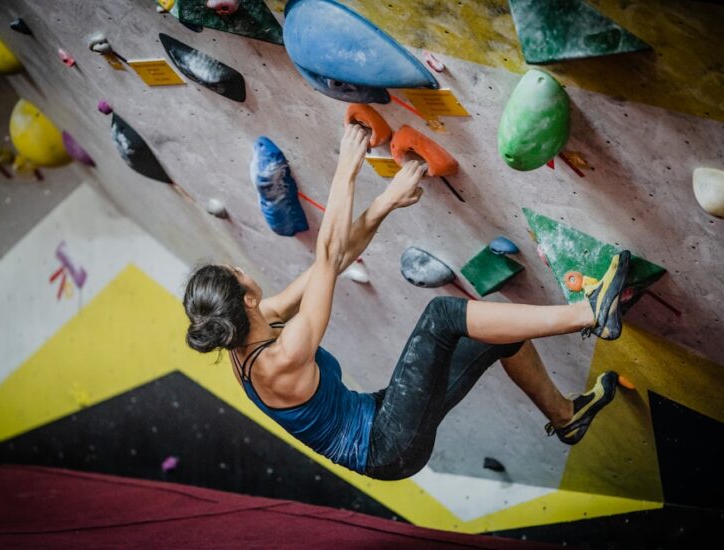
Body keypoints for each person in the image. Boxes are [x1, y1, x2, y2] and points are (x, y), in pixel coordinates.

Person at [183, 124, 630, 480]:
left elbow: (335, 263)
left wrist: (385, 204)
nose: (241, 268)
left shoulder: (258, 323)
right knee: (443, 316)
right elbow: (327, 254)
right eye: (235, 272)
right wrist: (348, 165)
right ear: (245, 296)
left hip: (382, 416)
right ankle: (590, 313)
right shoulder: (280, 359)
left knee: (497, 336)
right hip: (387, 447)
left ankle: (567, 416)